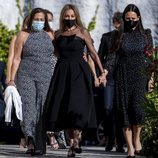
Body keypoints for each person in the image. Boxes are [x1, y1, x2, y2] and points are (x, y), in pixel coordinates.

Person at [45, 4, 106, 157]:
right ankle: (73, 142)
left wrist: (101, 72)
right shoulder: (58, 34)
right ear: (63, 17)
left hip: (80, 72)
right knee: (65, 107)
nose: (70, 19)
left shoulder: (83, 32)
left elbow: (93, 53)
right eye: (67, 16)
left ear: (76, 16)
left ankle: (76, 139)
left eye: (72, 16)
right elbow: (57, 54)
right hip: (62, 72)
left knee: (77, 106)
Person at [9, 7, 55, 156]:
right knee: (29, 108)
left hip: (46, 76)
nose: (39, 22)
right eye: (37, 19)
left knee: (42, 108)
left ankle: (40, 144)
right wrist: (11, 79)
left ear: (45, 21)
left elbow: (60, 54)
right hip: (26, 75)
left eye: (42, 20)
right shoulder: (23, 35)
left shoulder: (51, 35)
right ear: (31, 20)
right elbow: (16, 58)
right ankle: (30, 141)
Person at [115, 4, 153, 158]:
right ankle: (130, 147)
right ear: (124, 19)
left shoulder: (146, 34)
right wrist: (104, 72)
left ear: (138, 18)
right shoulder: (119, 35)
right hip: (123, 75)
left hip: (140, 75)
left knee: (138, 111)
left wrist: (151, 78)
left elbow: (150, 59)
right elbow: (113, 57)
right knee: (125, 112)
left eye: (133, 18)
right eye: (127, 18)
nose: (130, 21)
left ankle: (137, 140)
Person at [98, 12, 125, 152]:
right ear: (114, 22)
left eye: (120, 22)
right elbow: (100, 56)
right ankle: (110, 137)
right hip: (109, 78)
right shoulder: (106, 37)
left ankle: (120, 142)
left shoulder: (126, 38)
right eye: (116, 21)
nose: (118, 24)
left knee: (120, 110)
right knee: (108, 108)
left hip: (123, 77)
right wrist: (100, 75)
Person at [6, 15, 29, 149]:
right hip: (19, 75)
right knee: (21, 107)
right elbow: (11, 58)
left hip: (35, 74)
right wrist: (10, 78)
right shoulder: (17, 37)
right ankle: (23, 137)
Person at [45, 8, 67, 150]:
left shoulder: (56, 34)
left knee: (59, 104)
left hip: (56, 72)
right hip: (42, 72)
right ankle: (50, 134)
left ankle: (60, 134)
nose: (49, 23)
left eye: (50, 20)